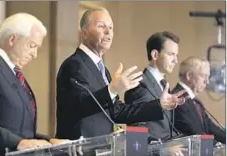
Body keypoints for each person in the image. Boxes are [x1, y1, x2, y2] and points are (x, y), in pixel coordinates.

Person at [56, 8, 186, 140]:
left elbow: (118, 112)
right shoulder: (73, 65)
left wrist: (159, 105)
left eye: (111, 28)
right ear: (84, 33)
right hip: (79, 149)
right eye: (101, 26)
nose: (108, 32)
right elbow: (79, 106)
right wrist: (112, 90)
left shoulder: (102, 69)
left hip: (100, 147)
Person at [0, 13, 67, 156]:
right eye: (32, 46)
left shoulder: (12, 72)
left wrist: (49, 140)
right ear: (13, 39)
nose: (34, 54)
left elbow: (17, 129)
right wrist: (20, 143)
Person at [125, 31, 184, 142]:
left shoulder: (164, 85)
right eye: (171, 54)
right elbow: (137, 130)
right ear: (155, 55)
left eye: (176, 55)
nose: (176, 60)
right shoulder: (139, 84)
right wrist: (164, 149)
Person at [173, 56, 226, 144]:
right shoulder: (178, 98)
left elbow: (210, 127)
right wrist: (215, 144)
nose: (207, 81)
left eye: (208, 77)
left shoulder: (195, 101)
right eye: (203, 76)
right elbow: (190, 131)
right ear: (189, 75)